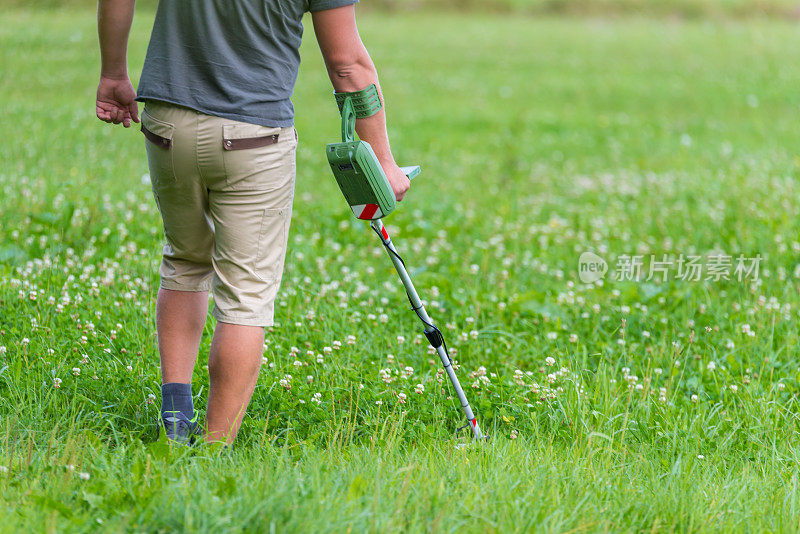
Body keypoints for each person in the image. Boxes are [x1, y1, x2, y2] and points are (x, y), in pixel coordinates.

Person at [95, 0, 410, 445]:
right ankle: (212, 451)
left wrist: (112, 75)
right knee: (246, 295)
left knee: (184, 261)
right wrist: (381, 158)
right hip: (254, 138)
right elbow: (348, 66)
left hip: (168, 123)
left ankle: (175, 424)